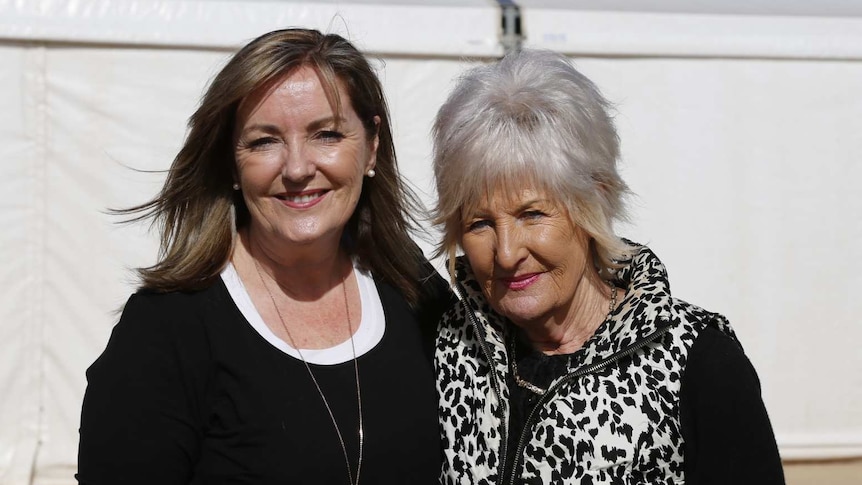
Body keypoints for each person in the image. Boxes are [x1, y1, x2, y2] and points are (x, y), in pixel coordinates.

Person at [77, 28, 450, 485]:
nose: (296, 168)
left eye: (326, 134)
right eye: (263, 141)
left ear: (371, 146)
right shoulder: (166, 331)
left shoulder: (413, 291)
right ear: (231, 163)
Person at [431, 49, 785, 484]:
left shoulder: (695, 362)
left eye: (532, 215)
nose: (506, 253)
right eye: (480, 223)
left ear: (593, 202)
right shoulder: (447, 347)